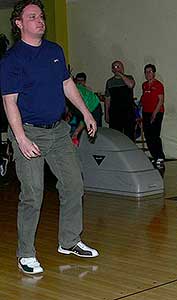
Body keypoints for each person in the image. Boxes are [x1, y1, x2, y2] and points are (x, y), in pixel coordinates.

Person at [0, 0, 99, 275]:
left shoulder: (54, 51)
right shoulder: (12, 60)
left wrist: (86, 113)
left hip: (58, 131)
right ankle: (26, 254)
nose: (40, 20)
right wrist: (20, 138)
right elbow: (10, 102)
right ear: (19, 23)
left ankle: (69, 241)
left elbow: (67, 84)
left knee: (73, 185)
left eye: (41, 16)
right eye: (32, 17)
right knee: (32, 194)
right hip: (29, 132)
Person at [140, 64, 166, 166]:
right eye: (146, 72)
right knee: (148, 135)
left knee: (155, 135)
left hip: (157, 112)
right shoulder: (144, 85)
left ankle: (160, 156)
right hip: (146, 112)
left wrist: (154, 114)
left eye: (150, 71)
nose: (148, 74)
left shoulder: (158, 85)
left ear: (154, 73)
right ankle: (154, 156)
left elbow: (161, 100)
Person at [105, 60, 136, 140]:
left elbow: (131, 85)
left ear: (123, 68)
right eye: (114, 67)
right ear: (112, 70)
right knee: (115, 136)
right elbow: (107, 99)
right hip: (115, 113)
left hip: (128, 112)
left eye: (118, 66)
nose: (117, 69)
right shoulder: (109, 82)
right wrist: (106, 114)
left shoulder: (129, 78)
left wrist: (121, 75)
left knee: (129, 135)